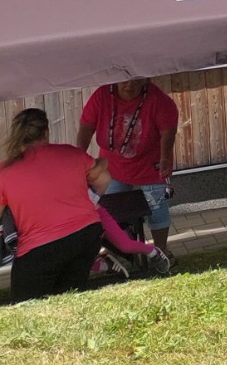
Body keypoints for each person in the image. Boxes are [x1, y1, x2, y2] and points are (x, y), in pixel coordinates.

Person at [0, 109, 109, 302]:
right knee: (72, 295)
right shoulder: (71, 153)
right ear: (46, 131)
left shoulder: (3, 171)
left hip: (39, 247)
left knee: (25, 304)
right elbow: (104, 179)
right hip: (87, 235)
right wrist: (91, 200)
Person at [76, 77, 179, 253]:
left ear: (146, 80)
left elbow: (168, 132)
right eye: (124, 81)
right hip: (113, 166)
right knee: (113, 211)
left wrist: (165, 159)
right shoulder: (102, 96)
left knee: (157, 206)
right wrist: (79, 159)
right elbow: (86, 126)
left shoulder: (159, 100)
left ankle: (161, 250)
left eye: (136, 81)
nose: (130, 85)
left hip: (150, 164)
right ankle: (124, 249)